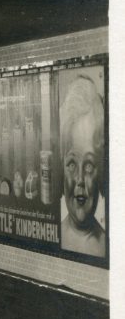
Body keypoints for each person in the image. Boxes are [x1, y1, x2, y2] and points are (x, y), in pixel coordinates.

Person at [59, 73, 106, 258]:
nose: (79, 179)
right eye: (71, 164)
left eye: (88, 166)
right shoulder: (55, 236)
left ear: (100, 173)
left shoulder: (106, 246)